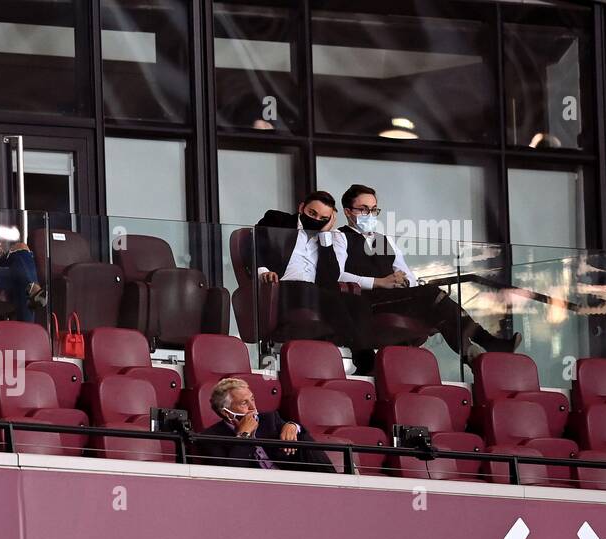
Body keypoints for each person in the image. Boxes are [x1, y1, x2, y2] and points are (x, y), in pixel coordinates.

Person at [337, 183, 520, 370]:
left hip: (394, 298)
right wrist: (379, 282)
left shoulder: (384, 240)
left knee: (437, 305)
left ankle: (471, 351)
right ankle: (483, 344)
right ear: (348, 212)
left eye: (374, 210)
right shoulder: (339, 237)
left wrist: (404, 281)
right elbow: (337, 275)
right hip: (365, 302)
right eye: (364, 209)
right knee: (433, 295)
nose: (370, 215)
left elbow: (406, 273)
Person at [254, 191, 373, 370]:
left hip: (314, 294)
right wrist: (263, 271)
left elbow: (330, 279)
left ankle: (362, 363)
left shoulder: (326, 238)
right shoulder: (277, 220)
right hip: (282, 288)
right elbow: (253, 245)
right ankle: (366, 359)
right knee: (317, 293)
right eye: (312, 213)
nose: (316, 219)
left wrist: (325, 235)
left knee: (358, 303)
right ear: (302, 208)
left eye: (323, 218)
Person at [194, 378, 335, 473]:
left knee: (302, 438)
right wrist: (244, 435)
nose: (253, 407)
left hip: (290, 483)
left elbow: (300, 432)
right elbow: (231, 475)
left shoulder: (270, 419)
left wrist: (292, 426)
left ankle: (334, 481)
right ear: (227, 413)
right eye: (244, 403)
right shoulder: (210, 438)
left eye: (252, 399)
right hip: (253, 494)